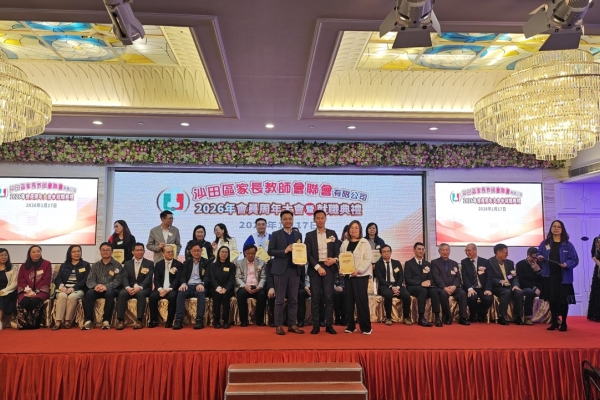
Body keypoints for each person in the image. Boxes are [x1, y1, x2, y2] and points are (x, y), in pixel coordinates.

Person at [537, 220, 578, 332]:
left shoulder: (568, 244)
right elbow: (539, 253)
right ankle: (554, 322)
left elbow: (574, 259)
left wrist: (567, 264)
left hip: (564, 276)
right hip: (549, 276)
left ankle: (564, 322)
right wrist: (539, 257)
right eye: (554, 226)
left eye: (558, 227)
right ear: (551, 228)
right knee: (552, 300)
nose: (556, 228)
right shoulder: (545, 243)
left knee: (563, 300)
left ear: (562, 229)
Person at [268, 210, 304, 335]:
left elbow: (300, 251)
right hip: (280, 271)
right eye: (285, 219)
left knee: (293, 299)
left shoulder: (298, 234)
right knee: (279, 300)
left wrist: (301, 261)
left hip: (294, 270)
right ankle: (278, 325)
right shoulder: (276, 234)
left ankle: (292, 324)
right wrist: (284, 251)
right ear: (281, 220)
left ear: (292, 220)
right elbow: (270, 251)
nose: (288, 221)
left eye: (290, 218)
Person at [304, 210, 340, 334]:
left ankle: (329, 325)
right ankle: (316, 326)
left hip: (329, 267)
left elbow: (337, 250)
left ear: (325, 219)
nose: (320, 220)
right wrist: (317, 267)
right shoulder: (309, 235)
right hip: (315, 269)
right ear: (314, 219)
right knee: (315, 298)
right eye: (318, 218)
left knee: (329, 297)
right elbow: (307, 253)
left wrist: (334, 260)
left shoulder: (332, 233)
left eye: (322, 218)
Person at [340, 220, 373, 334]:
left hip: (361, 276)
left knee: (361, 301)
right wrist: (342, 268)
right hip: (348, 276)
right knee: (349, 301)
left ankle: (366, 327)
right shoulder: (345, 243)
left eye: (356, 228)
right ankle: (351, 326)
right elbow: (342, 257)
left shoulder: (365, 243)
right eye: (351, 228)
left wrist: (358, 270)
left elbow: (367, 259)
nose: (353, 230)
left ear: (360, 230)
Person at [82, 243, 123, 330]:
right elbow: (90, 280)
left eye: (107, 250)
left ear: (112, 252)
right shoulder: (95, 265)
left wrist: (106, 287)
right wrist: (96, 286)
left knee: (109, 294)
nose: (105, 252)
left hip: (111, 289)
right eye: (103, 250)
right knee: (89, 293)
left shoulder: (117, 265)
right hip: (97, 288)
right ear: (100, 252)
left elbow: (118, 280)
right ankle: (88, 320)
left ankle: (106, 320)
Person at [116, 243, 154, 330]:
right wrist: (127, 287)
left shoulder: (149, 263)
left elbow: (148, 278)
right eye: (137, 250)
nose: (140, 252)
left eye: (141, 250)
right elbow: (124, 277)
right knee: (122, 293)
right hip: (130, 287)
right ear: (133, 252)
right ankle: (120, 320)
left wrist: (140, 287)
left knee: (141, 294)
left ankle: (139, 320)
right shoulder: (127, 263)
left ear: (144, 251)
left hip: (143, 288)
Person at [173, 243, 211, 330]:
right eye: (194, 251)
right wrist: (183, 283)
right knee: (181, 292)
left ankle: (199, 320)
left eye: (198, 251)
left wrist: (202, 283)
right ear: (191, 251)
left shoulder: (206, 262)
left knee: (201, 293)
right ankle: (179, 320)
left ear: (201, 251)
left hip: (200, 285)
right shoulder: (187, 262)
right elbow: (182, 276)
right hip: (189, 285)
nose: (196, 253)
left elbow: (207, 277)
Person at [431, 243, 470, 326]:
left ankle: (463, 318)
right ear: (439, 251)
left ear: (450, 251)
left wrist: (454, 286)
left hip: (453, 287)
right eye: (443, 250)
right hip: (441, 287)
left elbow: (458, 277)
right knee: (443, 294)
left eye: (447, 250)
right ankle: (447, 317)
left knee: (462, 293)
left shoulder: (454, 263)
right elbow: (436, 276)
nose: (445, 252)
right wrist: (444, 287)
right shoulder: (434, 263)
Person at [53, 245, 90, 330]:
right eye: (74, 252)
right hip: (64, 289)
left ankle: (67, 321)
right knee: (62, 296)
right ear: (69, 253)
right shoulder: (64, 265)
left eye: (78, 251)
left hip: (78, 289)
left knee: (72, 297)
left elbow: (85, 280)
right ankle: (58, 321)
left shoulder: (85, 265)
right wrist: (62, 287)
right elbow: (58, 279)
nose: (76, 253)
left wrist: (74, 288)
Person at [404, 242, 441, 327]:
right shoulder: (409, 263)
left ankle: (437, 317)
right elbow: (408, 279)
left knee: (434, 290)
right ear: (414, 250)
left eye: (423, 249)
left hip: (426, 287)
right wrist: (421, 283)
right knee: (423, 290)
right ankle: (421, 317)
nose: (421, 251)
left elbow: (431, 278)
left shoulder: (427, 264)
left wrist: (429, 282)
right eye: (419, 249)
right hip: (413, 287)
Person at [374, 245, 412, 326]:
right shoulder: (378, 264)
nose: (386, 253)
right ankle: (388, 318)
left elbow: (401, 276)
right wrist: (391, 287)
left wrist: (397, 287)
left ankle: (406, 317)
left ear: (391, 252)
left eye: (388, 251)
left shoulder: (396, 263)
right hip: (385, 286)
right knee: (388, 294)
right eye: (384, 252)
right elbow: (380, 279)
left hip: (397, 285)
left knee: (406, 295)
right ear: (381, 254)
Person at [488, 243, 524, 325]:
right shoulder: (489, 262)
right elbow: (489, 278)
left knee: (519, 293)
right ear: (498, 253)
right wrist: (500, 281)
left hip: (509, 285)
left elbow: (513, 276)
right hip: (497, 287)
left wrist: (515, 285)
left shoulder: (510, 263)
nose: (507, 255)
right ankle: (502, 316)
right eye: (506, 253)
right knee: (506, 292)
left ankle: (518, 316)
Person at [16, 245, 52, 329]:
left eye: (38, 251)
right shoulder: (23, 266)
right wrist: (28, 291)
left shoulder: (47, 264)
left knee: (35, 301)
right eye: (34, 252)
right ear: (29, 254)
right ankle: (24, 323)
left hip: (41, 291)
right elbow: (21, 280)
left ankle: (34, 323)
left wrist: (36, 292)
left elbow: (46, 279)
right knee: (24, 301)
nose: (36, 253)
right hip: (26, 291)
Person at [149, 245, 183, 328]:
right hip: (160, 288)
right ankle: (153, 320)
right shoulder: (158, 264)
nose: (171, 253)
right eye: (168, 252)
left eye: (172, 252)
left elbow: (177, 279)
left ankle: (169, 321)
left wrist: (169, 289)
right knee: (152, 296)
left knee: (173, 296)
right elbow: (156, 279)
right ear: (163, 253)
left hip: (172, 289)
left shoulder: (178, 264)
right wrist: (160, 289)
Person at [235, 244, 267, 327]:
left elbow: (263, 277)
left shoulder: (261, 262)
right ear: (245, 253)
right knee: (241, 294)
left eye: (252, 253)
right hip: (244, 286)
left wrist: (259, 287)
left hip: (257, 286)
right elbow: (237, 277)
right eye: (248, 253)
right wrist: (245, 286)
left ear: (255, 253)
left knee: (262, 294)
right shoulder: (239, 263)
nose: (250, 255)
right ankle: (243, 320)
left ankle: (259, 320)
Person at [461, 243, 493, 323]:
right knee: (472, 297)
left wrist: (488, 289)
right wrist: (469, 288)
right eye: (466, 251)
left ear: (475, 250)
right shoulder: (464, 262)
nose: (467, 252)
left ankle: (480, 314)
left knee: (488, 299)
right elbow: (465, 276)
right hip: (471, 287)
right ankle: (473, 315)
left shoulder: (485, 262)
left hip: (482, 288)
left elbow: (489, 277)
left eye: (469, 250)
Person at [208, 246, 236, 328]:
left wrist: (226, 288)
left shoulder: (232, 266)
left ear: (228, 254)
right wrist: (217, 287)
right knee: (217, 295)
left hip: (227, 288)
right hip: (215, 288)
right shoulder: (213, 265)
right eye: (222, 252)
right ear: (218, 253)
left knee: (225, 296)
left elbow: (231, 279)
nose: (224, 254)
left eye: (226, 252)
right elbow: (212, 278)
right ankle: (216, 320)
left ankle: (226, 320)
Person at [515, 247, 543, 325]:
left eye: (536, 258)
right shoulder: (520, 264)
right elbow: (522, 280)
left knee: (553, 290)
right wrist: (534, 288)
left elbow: (543, 280)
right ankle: (528, 316)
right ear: (527, 255)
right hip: (526, 286)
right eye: (533, 258)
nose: (534, 260)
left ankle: (556, 316)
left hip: (539, 286)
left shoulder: (540, 264)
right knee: (530, 292)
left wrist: (538, 271)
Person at [0, 249, 18, 330]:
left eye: (5, 255)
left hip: (9, 291)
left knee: (1, 297)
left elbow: (15, 283)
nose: (4, 257)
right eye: (1, 255)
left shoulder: (12, 268)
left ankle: (0, 320)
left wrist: (4, 291)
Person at [588, 236, 600, 322]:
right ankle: (596, 314)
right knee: (597, 291)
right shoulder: (596, 239)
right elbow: (593, 254)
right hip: (599, 268)